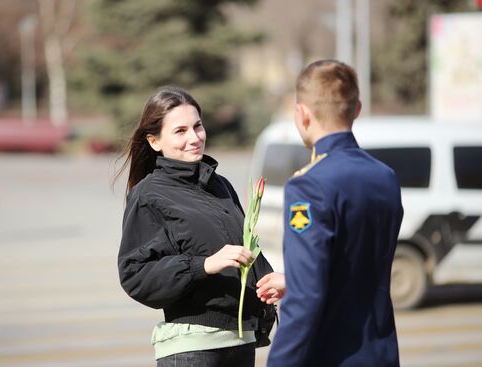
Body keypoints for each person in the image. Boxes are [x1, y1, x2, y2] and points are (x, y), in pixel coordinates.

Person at [256, 60, 403, 366]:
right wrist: (294, 279)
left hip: (332, 356)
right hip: (380, 353)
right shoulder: (385, 176)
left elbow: (307, 298)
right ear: (357, 109)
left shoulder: (308, 186)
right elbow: (357, 267)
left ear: (302, 113)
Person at [117, 86, 274, 367]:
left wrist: (268, 281)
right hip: (193, 350)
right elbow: (135, 275)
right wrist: (203, 265)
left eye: (198, 126)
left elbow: (244, 247)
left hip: (240, 343)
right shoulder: (149, 194)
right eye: (180, 131)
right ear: (154, 141)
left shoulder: (219, 184)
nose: (195, 137)